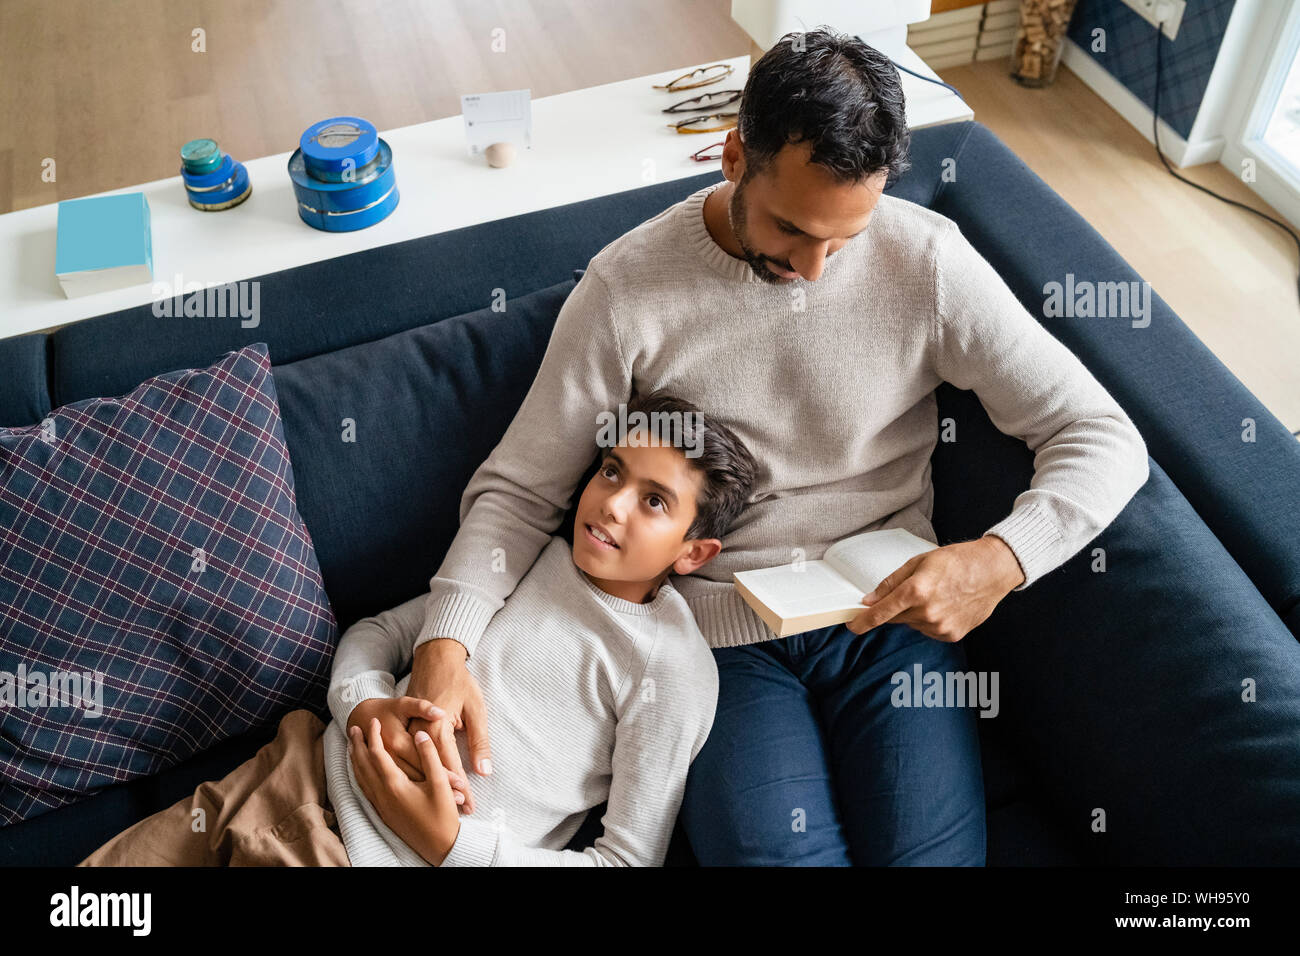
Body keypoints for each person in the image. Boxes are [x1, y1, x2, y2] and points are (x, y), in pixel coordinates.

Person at [398, 28, 1150, 865]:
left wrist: (1002, 559)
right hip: (718, 638)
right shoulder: (625, 291)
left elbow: (1101, 433)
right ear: (731, 157)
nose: (818, 269)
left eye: (846, 238)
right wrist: (444, 642)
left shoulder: (927, 263)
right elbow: (521, 490)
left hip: (890, 613)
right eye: (793, 231)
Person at [78, 390, 757, 867]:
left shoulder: (670, 670)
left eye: (654, 502)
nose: (611, 504)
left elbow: (629, 861)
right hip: (287, 774)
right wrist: (364, 706)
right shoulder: (521, 554)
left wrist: (450, 846)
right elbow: (378, 633)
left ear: (693, 553)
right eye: (612, 471)